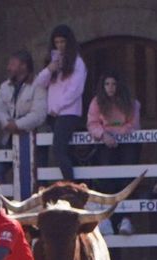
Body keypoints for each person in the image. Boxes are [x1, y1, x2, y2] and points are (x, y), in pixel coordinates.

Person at [36, 24, 87, 181]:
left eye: (63, 42)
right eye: (57, 42)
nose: (60, 45)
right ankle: (76, 184)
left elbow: (75, 90)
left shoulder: (78, 63)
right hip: (53, 114)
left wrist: (58, 107)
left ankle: (71, 185)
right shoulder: (52, 62)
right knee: (65, 152)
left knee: (58, 150)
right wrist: (49, 69)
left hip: (69, 113)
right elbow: (39, 83)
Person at [85, 72, 140, 211]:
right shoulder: (97, 102)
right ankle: (107, 216)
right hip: (105, 144)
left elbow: (133, 123)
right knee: (106, 178)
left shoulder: (131, 102)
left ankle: (126, 217)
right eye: (107, 84)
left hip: (127, 143)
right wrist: (104, 135)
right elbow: (92, 123)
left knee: (127, 178)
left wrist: (118, 133)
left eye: (114, 84)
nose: (110, 87)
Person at [0, 50, 47, 168]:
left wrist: (17, 125)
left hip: (34, 138)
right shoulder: (5, 86)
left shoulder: (38, 85)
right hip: (9, 137)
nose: (8, 67)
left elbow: (39, 114)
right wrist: (6, 122)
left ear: (23, 66)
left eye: (12, 64)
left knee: (36, 172)